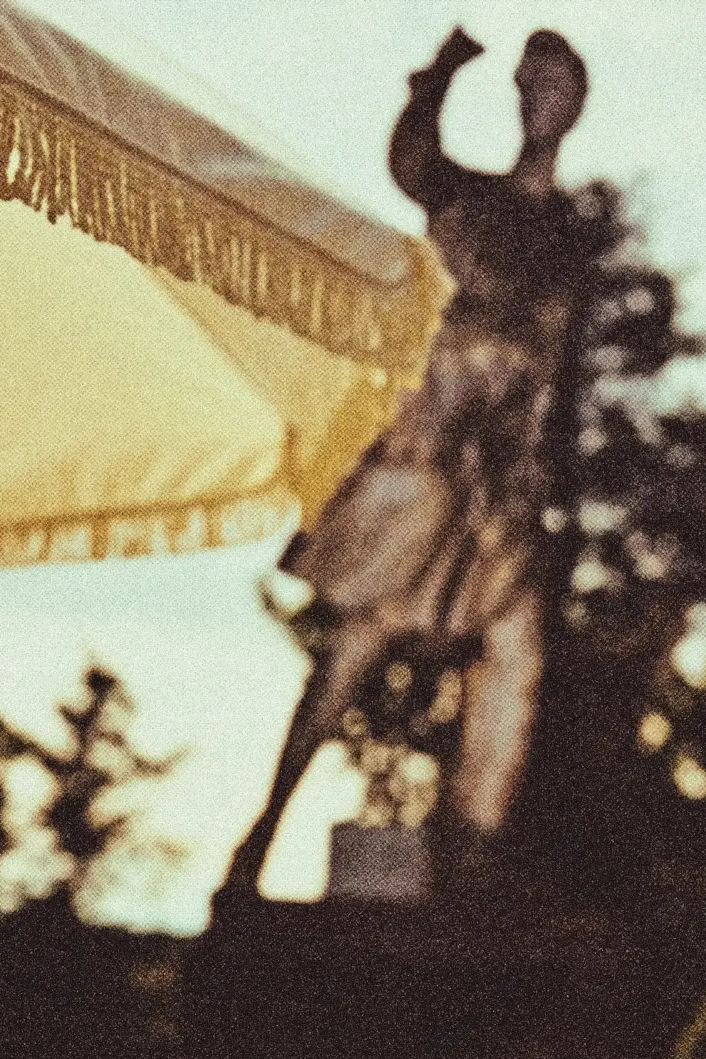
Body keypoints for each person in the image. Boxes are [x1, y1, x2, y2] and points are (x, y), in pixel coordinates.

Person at [216, 27, 592, 905]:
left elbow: (555, 373)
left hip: (500, 480)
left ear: (574, 108)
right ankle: (260, 838)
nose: (544, 103)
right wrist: (436, 80)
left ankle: (469, 860)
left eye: (559, 90)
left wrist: (541, 474)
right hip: (426, 451)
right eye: (533, 86)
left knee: (513, 652)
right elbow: (413, 164)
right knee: (352, 652)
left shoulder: (565, 241)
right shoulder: (470, 198)